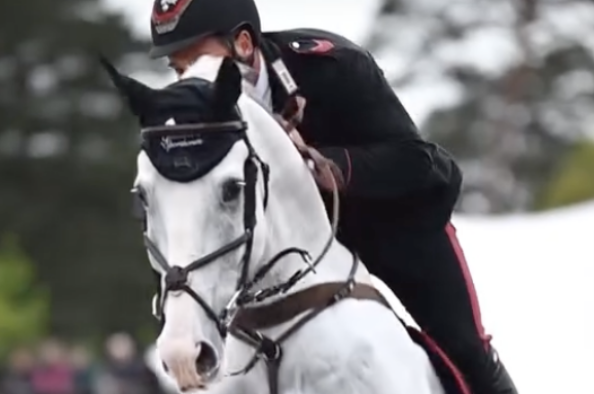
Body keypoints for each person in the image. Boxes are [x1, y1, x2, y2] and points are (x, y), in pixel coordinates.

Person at [146, 0, 518, 393]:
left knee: (465, 348)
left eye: (199, 60)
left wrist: (323, 165)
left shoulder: (331, 65)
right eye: (179, 69)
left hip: (397, 226)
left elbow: (418, 162)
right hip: (301, 249)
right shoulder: (202, 123)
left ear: (242, 42)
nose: (190, 79)